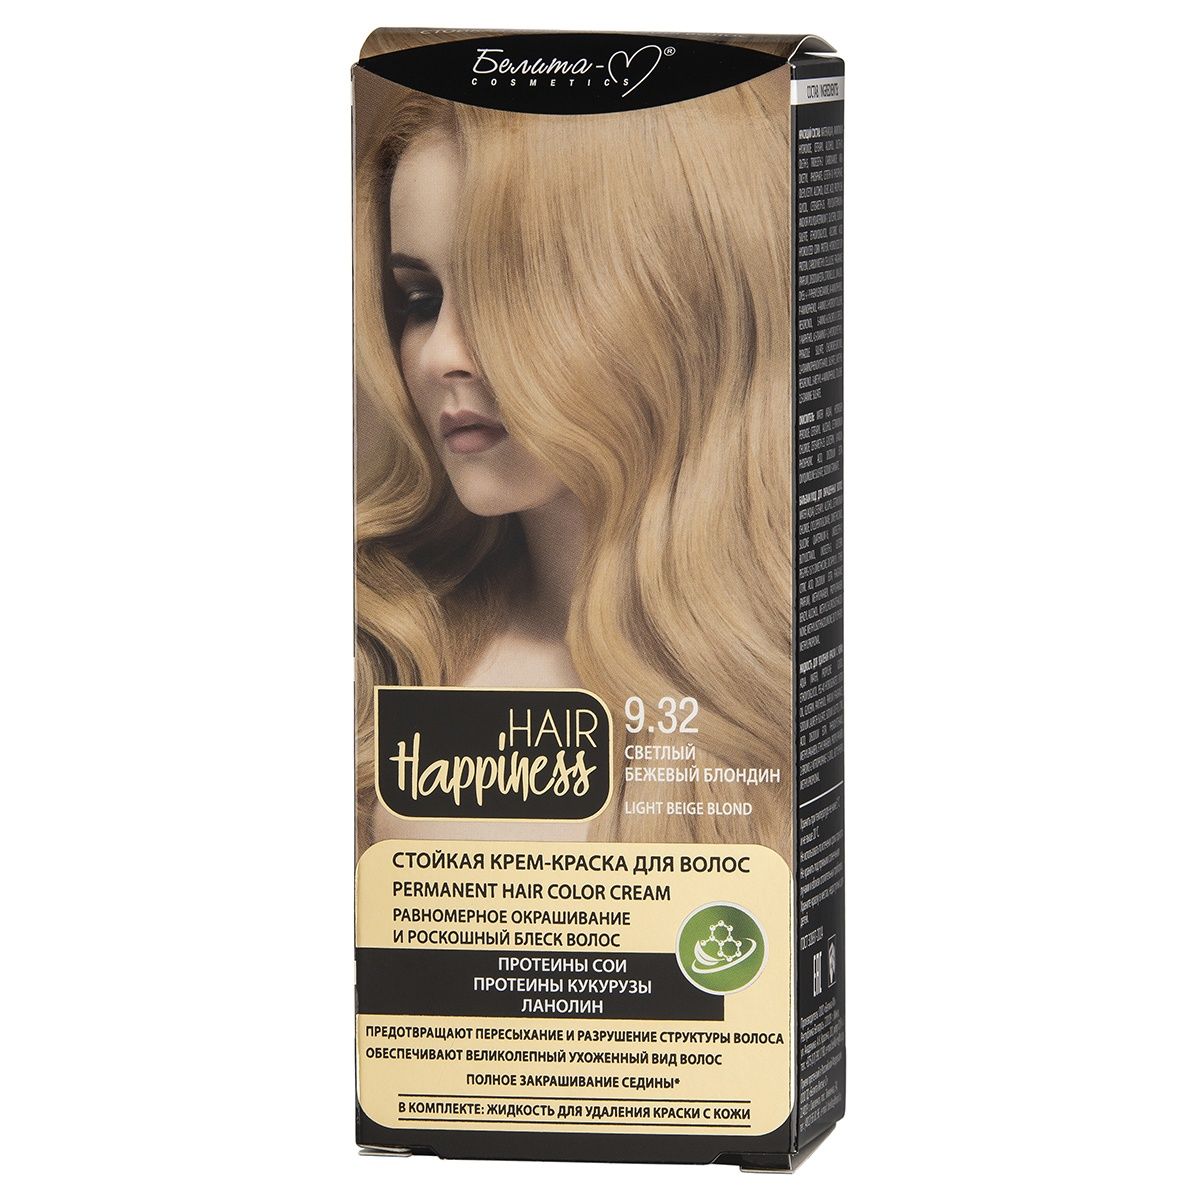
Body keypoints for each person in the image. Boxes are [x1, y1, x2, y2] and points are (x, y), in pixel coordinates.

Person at [355, 75, 795, 855]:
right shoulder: (382, 660)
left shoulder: (789, 687)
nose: (442, 356)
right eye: (420, 300)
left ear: (676, 297)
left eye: (505, 296)